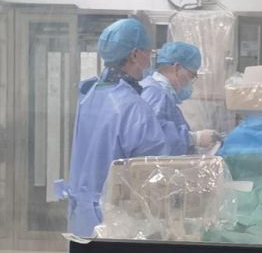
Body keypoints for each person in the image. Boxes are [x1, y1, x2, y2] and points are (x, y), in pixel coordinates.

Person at [59, 17, 185, 238]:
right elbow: (153, 174)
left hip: (83, 214)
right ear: (135, 55)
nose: (150, 60)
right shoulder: (132, 106)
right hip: (115, 221)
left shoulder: (90, 95)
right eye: (147, 53)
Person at [138, 40, 218, 155]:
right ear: (177, 68)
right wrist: (194, 138)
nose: (191, 81)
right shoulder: (155, 93)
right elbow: (153, 138)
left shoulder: (158, 92)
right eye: (192, 75)